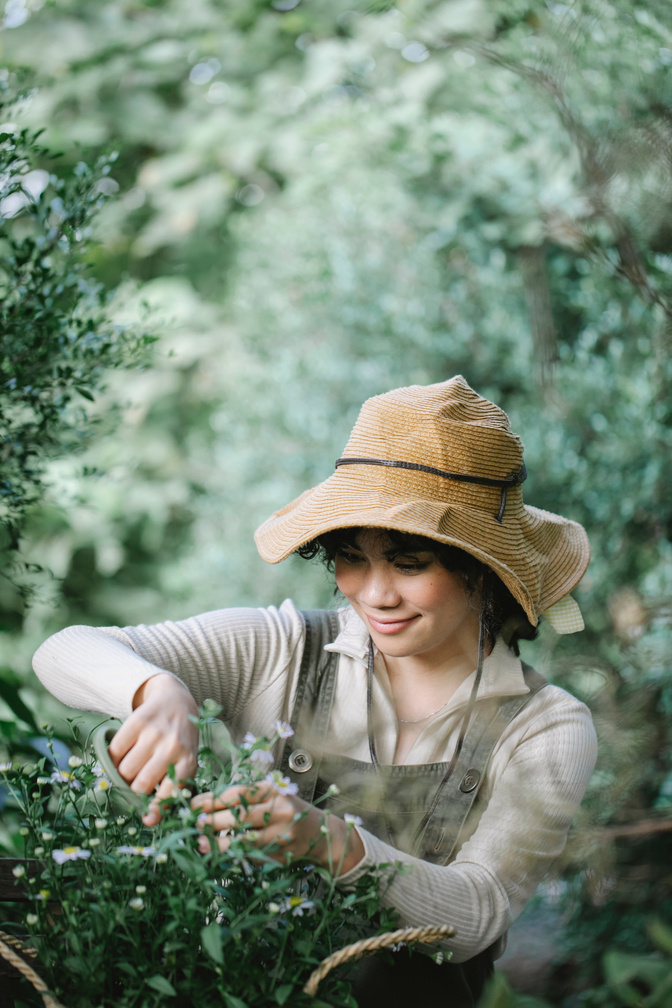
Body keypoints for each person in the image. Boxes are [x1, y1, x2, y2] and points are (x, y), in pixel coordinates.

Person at [32, 376, 597, 1007]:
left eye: (410, 564)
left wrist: (330, 841)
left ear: (484, 566)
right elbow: (62, 650)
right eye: (351, 557)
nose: (374, 594)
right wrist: (156, 689)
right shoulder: (280, 648)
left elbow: (477, 914)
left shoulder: (546, 726)